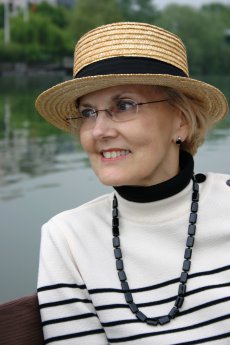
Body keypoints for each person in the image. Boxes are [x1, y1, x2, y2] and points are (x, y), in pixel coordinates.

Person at [35, 22, 230, 345]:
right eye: (87, 112)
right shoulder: (68, 237)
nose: (99, 131)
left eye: (124, 105)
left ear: (180, 120)